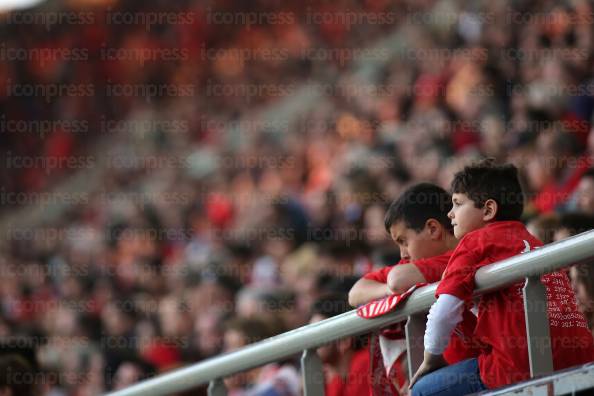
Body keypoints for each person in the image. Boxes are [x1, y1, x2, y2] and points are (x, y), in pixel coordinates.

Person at [410, 160, 594, 396]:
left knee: (421, 390)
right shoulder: (534, 242)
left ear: (488, 210)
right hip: (580, 360)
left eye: (457, 204)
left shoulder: (476, 241)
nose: (450, 213)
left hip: (516, 369)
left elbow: (443, 311)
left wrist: (430, 359)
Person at [348, 183, 478, 392]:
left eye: (404, 241)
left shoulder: (461, 256)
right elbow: (356, 293)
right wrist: (389, 292)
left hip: (481, 370)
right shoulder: (415, 263)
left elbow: (398, 281)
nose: (402, 254)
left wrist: (395, 287)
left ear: (433, 229)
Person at [310, 293, 371, 396]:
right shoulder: (337, 378)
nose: (310, 343)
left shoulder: (366, 366)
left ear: (344, 341)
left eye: (316, 334)